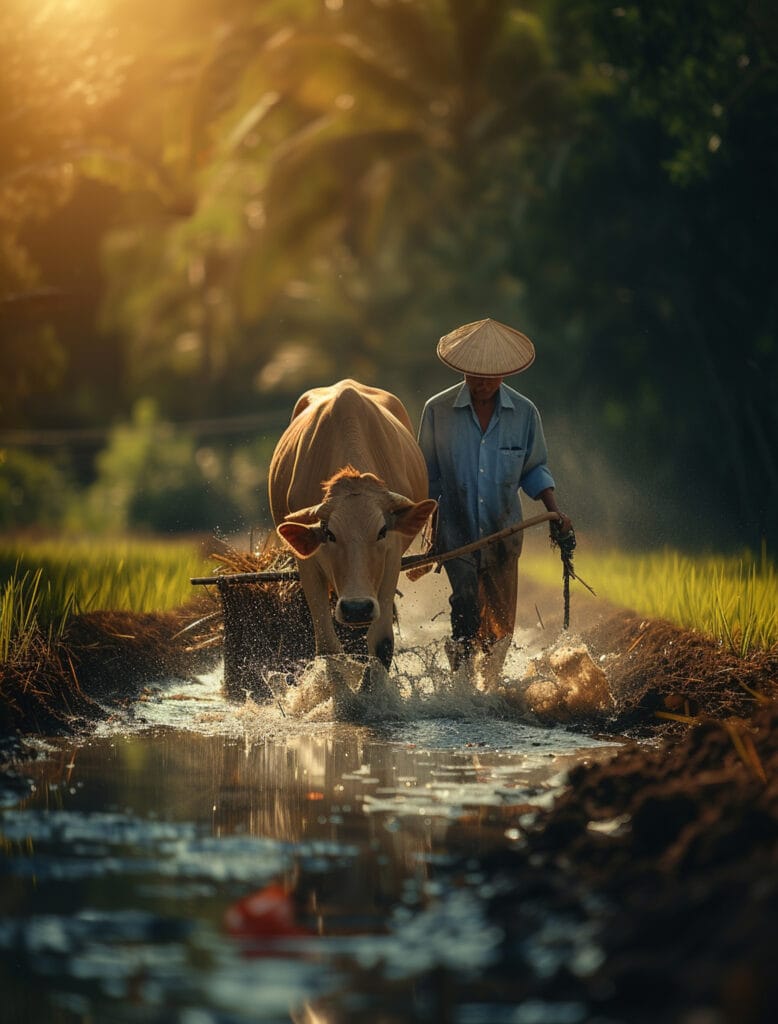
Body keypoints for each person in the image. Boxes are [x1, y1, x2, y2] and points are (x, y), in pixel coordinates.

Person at [417, 317, 573, 682]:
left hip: (504, 533)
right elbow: (426, 476)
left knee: (501, 626)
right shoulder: (437, 411)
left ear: (505, 373)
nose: (482, 383)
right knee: (467, 606)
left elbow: (535, 469)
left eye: (491, 376)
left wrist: (555, 514)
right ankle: (461, 685)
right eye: (475, 375)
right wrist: (422, 529)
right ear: (464, 370)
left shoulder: (524, 413)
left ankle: (492, 689)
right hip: (455, 532)